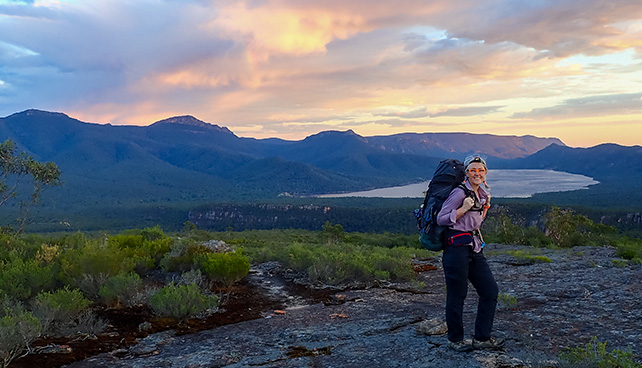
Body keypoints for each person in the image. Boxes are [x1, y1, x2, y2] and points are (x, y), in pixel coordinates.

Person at [436, 155, 504, 352]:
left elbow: (475, 223)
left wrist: (485, 208)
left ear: (485, 174)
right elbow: (442, 218)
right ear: (466, 173)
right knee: (457, 295)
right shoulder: (459, 193)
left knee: (490, 291)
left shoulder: (481, 194)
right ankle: (455, 340)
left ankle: (482, 338)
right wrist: (463, 208)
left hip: (474, 248)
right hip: (456, 249)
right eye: (473, 170)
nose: (477, 173)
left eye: (480, 170)